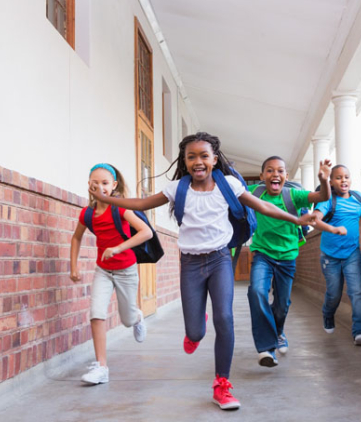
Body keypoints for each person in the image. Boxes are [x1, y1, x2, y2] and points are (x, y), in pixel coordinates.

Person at [89, 132, 316, 410]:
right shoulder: (177, 188)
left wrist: (296, 218)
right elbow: (141, 204)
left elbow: (264, 206)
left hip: (220, 259)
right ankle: (196, 326)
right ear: (185, 161)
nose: (198, 161)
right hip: (191, 264)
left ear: (214, 159)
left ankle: (222, 385)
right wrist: (109, 199)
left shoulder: (228, 184)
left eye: (204, 156)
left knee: (225, 317)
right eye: (191, 156)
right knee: (195, 333)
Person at [70, 163, 152, 385]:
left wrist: (118, 248)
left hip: (126, 270)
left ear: (114, 185)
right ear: (89, 185)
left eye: (105, 183)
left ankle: (137, 316)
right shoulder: (87, 213)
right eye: (95, 183)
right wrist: (73, 267)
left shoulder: (121, 209)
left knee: (126, 320)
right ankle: (101, 367)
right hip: (103, 271)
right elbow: (76, 237)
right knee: (96, 313)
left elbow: (146, 232)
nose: (100, 187)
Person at [247, 156, 332, 367]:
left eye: (280, 171)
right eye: (269, 170)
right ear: (261, 177)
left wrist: (324, 180)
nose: (275, 174)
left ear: (286, 176)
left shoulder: (293, 195)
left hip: (287, 257)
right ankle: (266, 349)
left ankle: (279, 332)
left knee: (282, 305)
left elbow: (322, 195)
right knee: (257, 291)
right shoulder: (254, 194)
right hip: (262, 254)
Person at [312, 164, 361, 346]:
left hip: (352, 253)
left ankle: (360, 331)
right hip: (330, 255)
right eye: (339, 178)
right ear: (331, 182)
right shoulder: (328, 200)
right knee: (334, 293)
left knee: (357, 291)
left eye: (347, 177)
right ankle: (328, 314)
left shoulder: (358, 198)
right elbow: (315, 219)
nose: (344, 181)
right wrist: (332, 228)